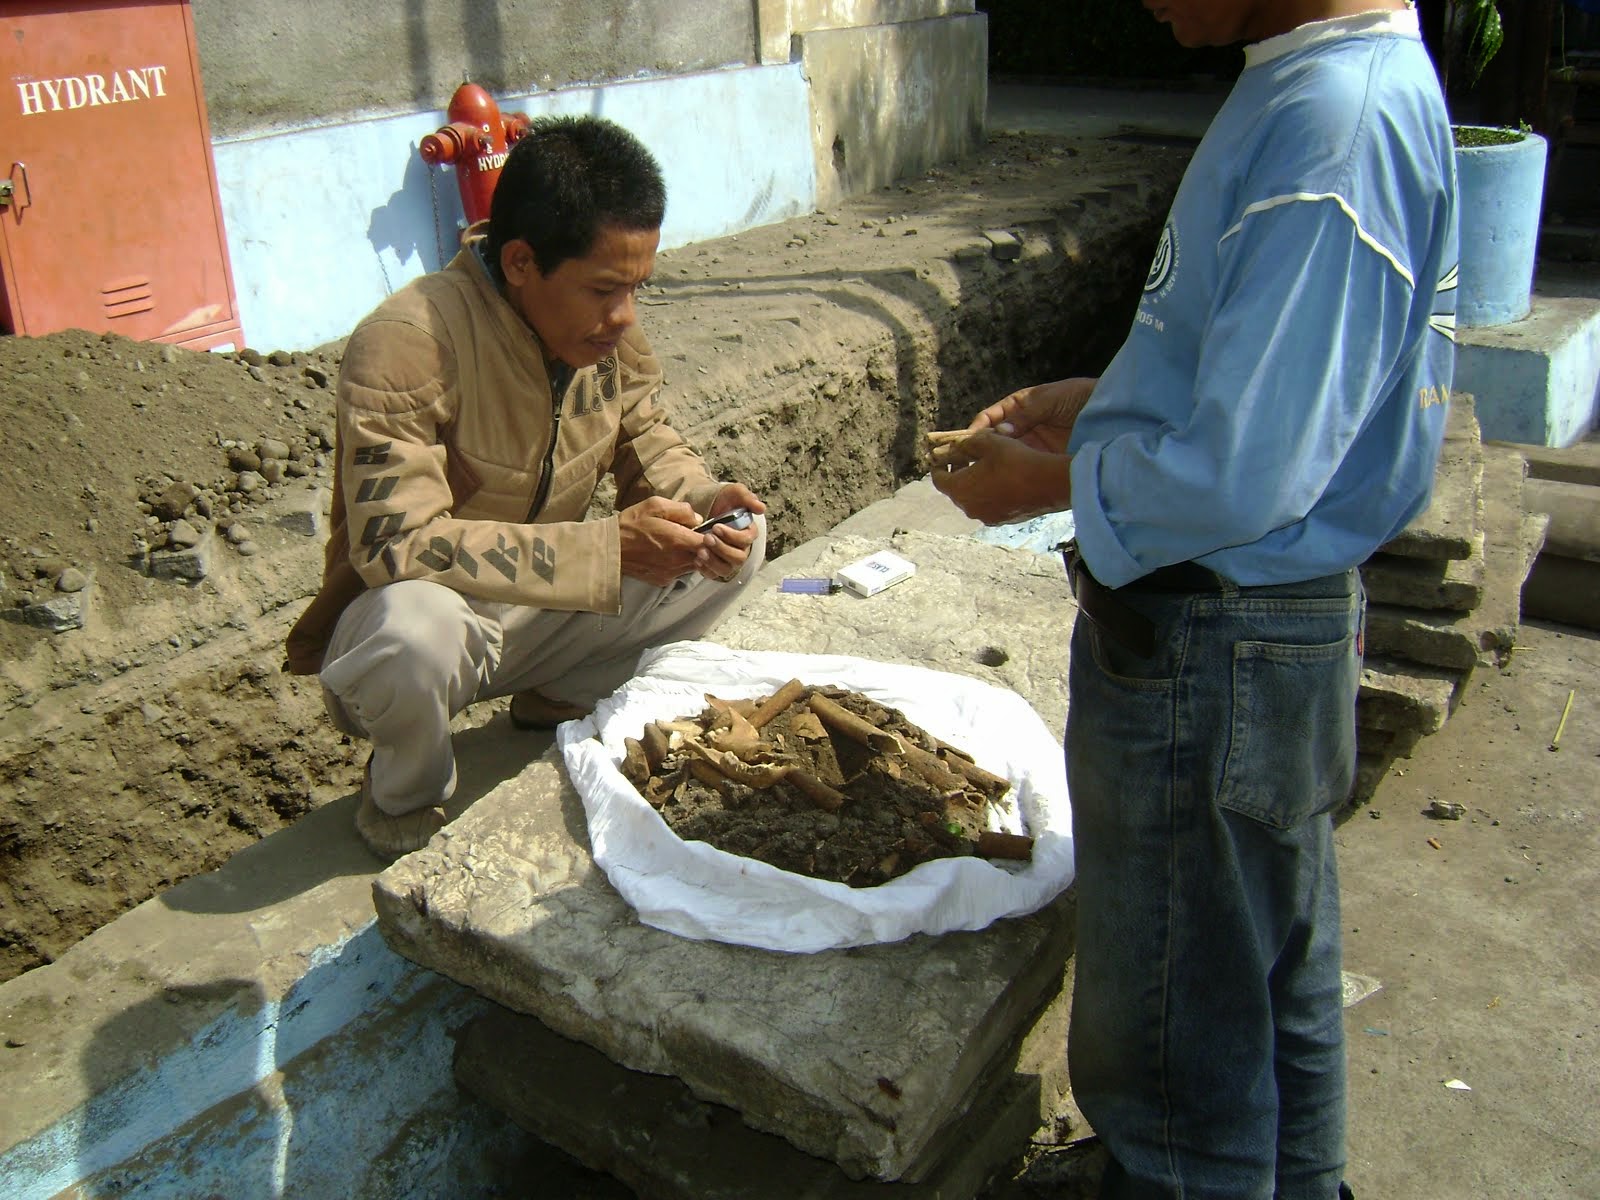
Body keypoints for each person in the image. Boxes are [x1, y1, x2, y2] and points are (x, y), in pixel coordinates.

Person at [931, 3, 1457, 1197]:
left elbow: (1243, 471)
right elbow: (1269, 368)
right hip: (1266, 625)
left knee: (1174, 1025)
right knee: (1266, 973)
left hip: (1210, 642)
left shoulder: (1334, 125)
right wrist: (1111, 396)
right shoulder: (1324, 85)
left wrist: (1053, 481)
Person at [285, 115, 767, 859]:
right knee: (412, 634)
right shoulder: (408, 343)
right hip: (422, 630)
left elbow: (648, 439)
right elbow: (395, 546)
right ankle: (406, 800)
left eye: (638, 287)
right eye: (605, 288)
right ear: (519, 262)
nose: (625, 316)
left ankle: (560, 699)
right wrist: (605, 553)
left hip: (537, 618)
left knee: (737, 539)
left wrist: (701, 501)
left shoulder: (604, 333)